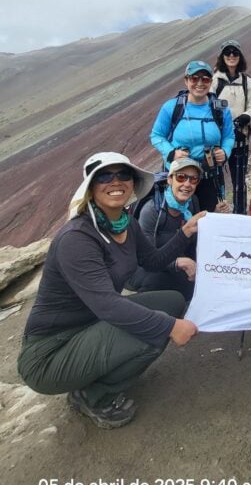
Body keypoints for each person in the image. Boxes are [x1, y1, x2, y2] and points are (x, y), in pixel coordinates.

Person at [17, 152, 203, 429]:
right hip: (50, 353)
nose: (115, 182)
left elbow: (152, 261)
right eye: (105, 176)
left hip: (90, 325)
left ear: (132, 183)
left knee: (172, 300)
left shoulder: (126, 223)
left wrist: (185, 232)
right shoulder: (77, 239)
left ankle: (95, 374)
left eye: (123, 175)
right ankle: (91, 396)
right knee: (153, 334)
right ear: (91, 187)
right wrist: (171, 326)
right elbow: (108, 305)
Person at [150, 61, 234, 212]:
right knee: (179, 222)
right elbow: (156, 136)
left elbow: (228, 136)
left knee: (208, 218)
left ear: (211, 82)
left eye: (205, 79)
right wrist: (172, 153)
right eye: (194, 78)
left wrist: (225, 152)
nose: (200, 83)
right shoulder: (172, 107)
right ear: (186, 80)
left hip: (210, 177)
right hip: (180, 179)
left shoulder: (221, 109)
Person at [128, 157, 215, 301]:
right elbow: (145, 259)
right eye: (181, 177)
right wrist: (177, 263)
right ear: (169, 179)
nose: (187, 184)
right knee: (157, 281)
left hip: (174, 261)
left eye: (193, 179)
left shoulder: (193, 202)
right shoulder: (152, 211)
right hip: (144, 268)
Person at [211, 39, 251, 214]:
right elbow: (209, 106)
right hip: (218, 140)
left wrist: (245, 118)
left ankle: (240, 213)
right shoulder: (214, 81)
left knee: (239, 181)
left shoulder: (247, 82)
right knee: (217, 180)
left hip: (240, 138)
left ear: (240, 56)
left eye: (235, 53)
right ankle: (219, 213)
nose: (231, 56)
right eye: (228, 53)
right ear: (222, 56)